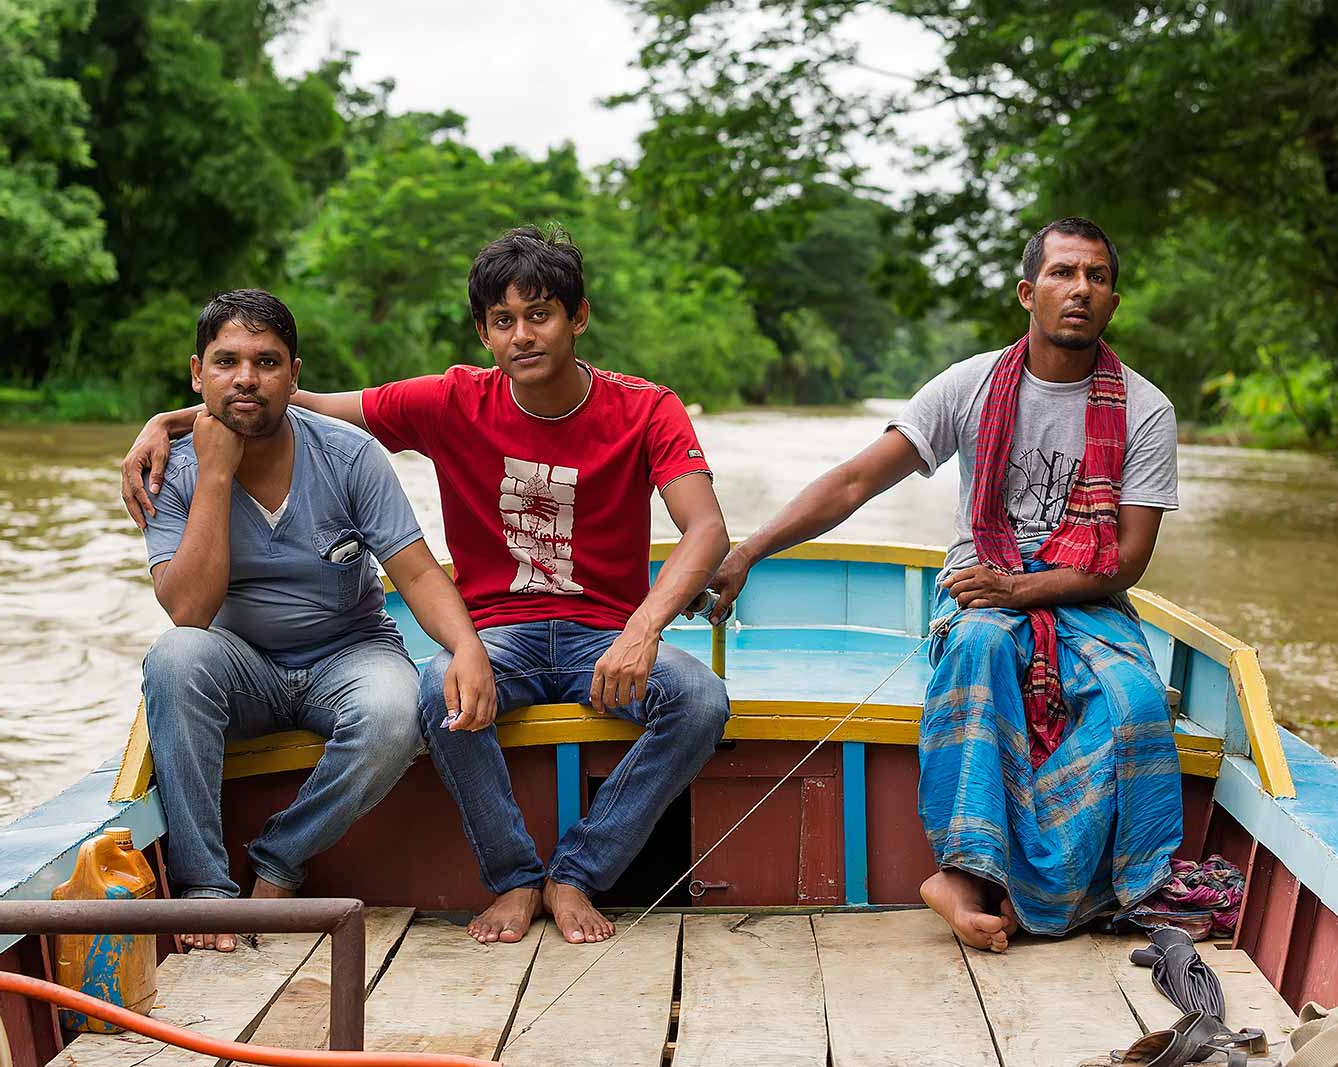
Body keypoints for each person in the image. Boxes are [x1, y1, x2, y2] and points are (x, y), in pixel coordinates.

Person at [122, 228, 732, 946]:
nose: (522, 335)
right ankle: (512, 877)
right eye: (503, 321)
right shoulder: (450, 400)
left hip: (608, 632)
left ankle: (576, 873)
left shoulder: (646, 408)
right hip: (502, 634)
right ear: (483, 331)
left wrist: (643, 628)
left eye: (540, 314)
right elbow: (287, 398)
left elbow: (706, 531)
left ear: (579, 317)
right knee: (437, 684)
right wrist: (173, 423)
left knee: (700, 700)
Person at [708, 217, 1182, 951]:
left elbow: (1125, 560)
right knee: (979, 652)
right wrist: (752, 550)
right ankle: (959, 876)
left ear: (1113, 301)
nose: (1079, 289)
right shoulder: (970, 385)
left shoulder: (1146, 409)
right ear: (1029, 292)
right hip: (979, 591)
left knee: (1139, 701)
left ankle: (1043, 887)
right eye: (1062, 273)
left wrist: (1021, 590)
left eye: (1096, 276)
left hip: (1083, 597)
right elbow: (857, 479)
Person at [137, 289, 494, 951]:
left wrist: (467, 645)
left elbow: (414, 571)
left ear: (295, 375)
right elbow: (189, 611)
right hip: (239, 664)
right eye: (227, 361)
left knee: (395, 709)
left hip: (349, 652)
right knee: (173, 658)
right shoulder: (173, 471)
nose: (247, 377)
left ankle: (278, 862)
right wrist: (215, 474)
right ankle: (208, 893)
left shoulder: (348, 456)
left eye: (267, 361)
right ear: (197, 373)